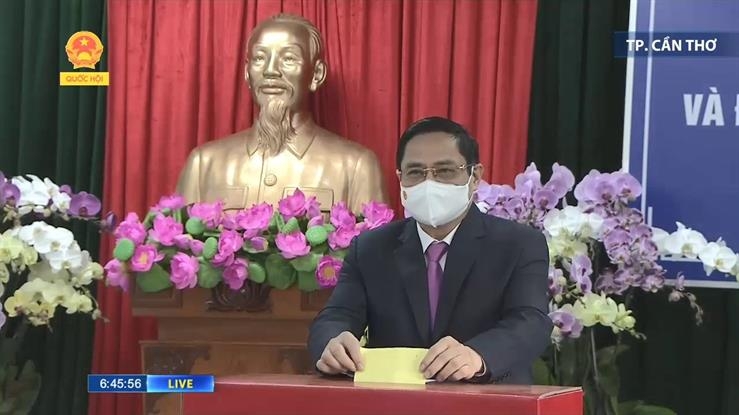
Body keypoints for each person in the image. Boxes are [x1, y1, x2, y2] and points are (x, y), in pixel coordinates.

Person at [307, 116, 552, 384]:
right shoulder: (370, 248)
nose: (429, 183)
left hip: (489, 398)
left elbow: (531, 322)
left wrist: (478, 356)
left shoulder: (518, 244)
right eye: (416, 172)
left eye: (445, 171)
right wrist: (332, 343)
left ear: (475, 176)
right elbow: (336, 316)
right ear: (400, 179)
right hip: (396, 401)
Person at [176, 13, 387, 212]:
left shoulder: (356, 166)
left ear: (316, 74)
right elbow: (178, 246)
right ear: (247, 74)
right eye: (259, 58)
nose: (270, 70)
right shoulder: (203, 164)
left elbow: (376, 249)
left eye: (288, 59)